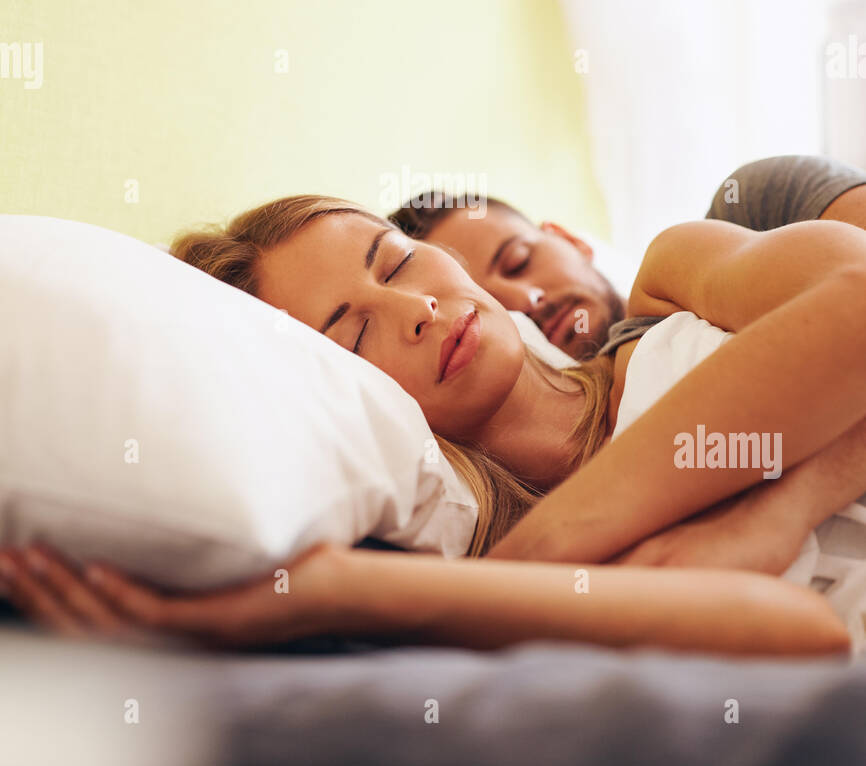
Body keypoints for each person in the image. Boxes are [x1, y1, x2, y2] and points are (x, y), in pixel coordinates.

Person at [4, 188, 866, 660]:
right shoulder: (469, 561)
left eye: (398, 261)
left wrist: (774, 512)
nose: (414, 307)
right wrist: (331, 592)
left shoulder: (669, 282)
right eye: (352, 331)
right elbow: (804, 634)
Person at [388, 155, 866, 357]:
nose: (526, 299)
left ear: (568, 238)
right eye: (489, 303)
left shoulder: (758, 207)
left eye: (517, 262)